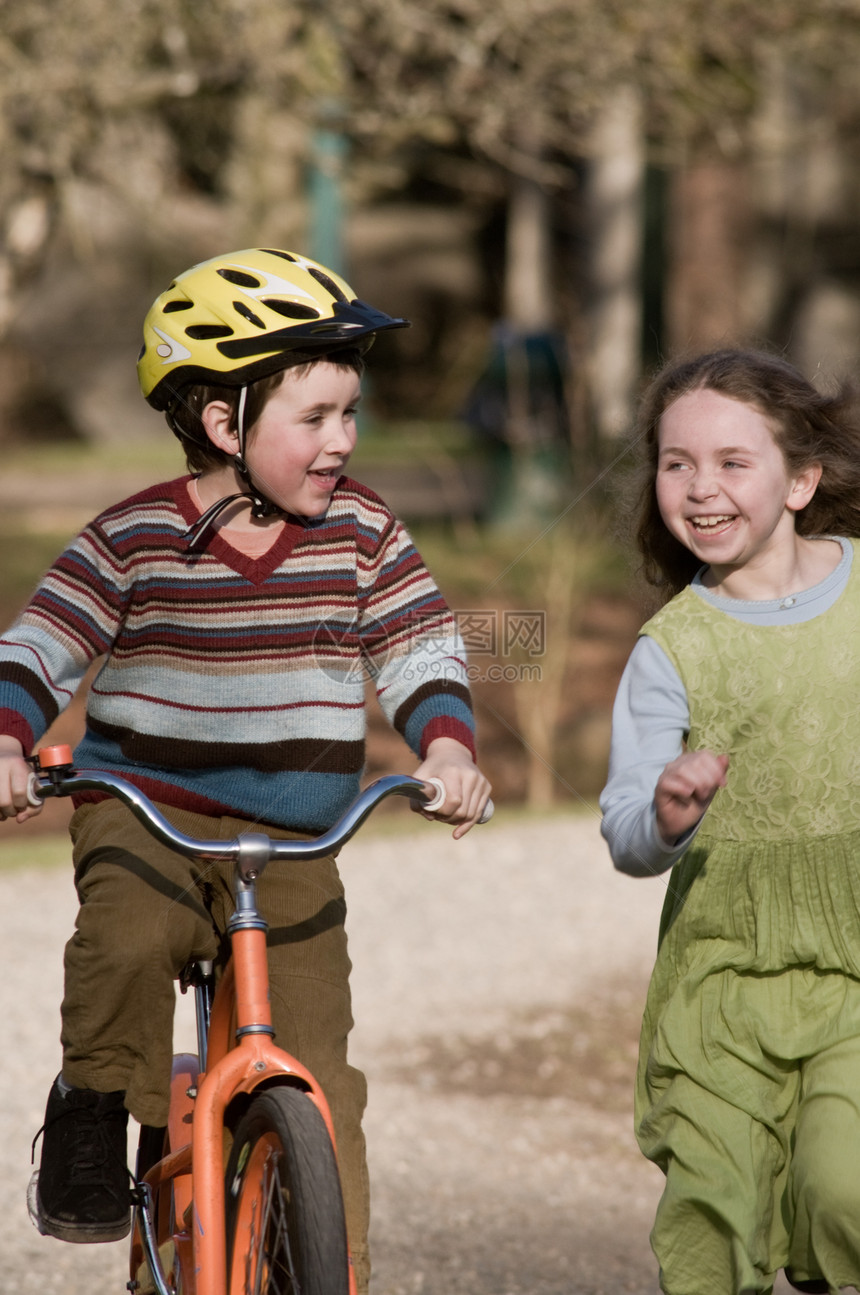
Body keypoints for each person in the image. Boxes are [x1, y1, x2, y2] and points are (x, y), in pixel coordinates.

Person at [0, 248, 491, 1294]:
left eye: (349, 413)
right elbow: (39, 645)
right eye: (313, 417)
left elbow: (419, 644)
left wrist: (445, 743)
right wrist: (8, 735)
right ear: (223, 424)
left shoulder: (361, 532)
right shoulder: (133, 537)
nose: (342, 442)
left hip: (296, 839)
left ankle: (333, 1267)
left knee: (325, 1080)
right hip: (152, 816)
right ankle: (90, 1100)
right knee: (127, 940)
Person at [600, 347, 860, 1295]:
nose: (700, 488)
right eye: (677, 463)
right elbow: (626, 827)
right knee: (712, 1219)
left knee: (848, 1193)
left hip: (856, 967)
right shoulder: (673, 649)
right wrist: (667, 812)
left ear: (802, 480)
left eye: (731, 462)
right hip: (721, 981)